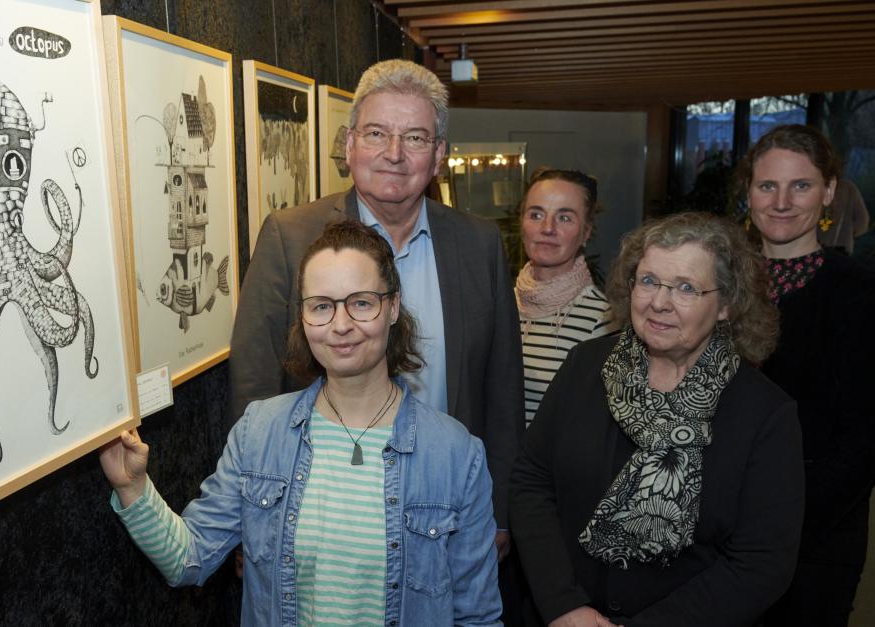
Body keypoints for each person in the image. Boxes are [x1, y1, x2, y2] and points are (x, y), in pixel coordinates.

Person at [102, 221, 501, 625]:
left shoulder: (455, 454)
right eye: (322, 306)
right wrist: (133, 487)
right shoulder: (260, 432)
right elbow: (189, 559)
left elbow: (478, 616)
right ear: (303, 316)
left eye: (362, 303)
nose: (341, 325)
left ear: (393, 307)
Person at [229, 59, 522, 555]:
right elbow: (254, 381)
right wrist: (250, 512)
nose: (394, 154)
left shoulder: (479, 244)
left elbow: (502, 388)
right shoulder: (289, 237)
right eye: (376, 133)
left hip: (446, 502)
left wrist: (499, 512)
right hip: (320, 503)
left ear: (439, 155)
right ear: (349, 145)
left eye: (415, 138)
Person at [510, 212, 805, 626]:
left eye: (686, 288)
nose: (659, 302)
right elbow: (531, 480)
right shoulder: (584, 366)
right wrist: (563, 604)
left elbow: (761, 562)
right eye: (648, 281)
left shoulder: (765, 415)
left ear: (726, 304)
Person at [739, 124, 875, 626]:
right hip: (713, 529)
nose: (781, 202)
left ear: (829, 191)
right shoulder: (719, 286)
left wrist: (781, 520)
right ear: (749, 192)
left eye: (801, 185)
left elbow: (873, 439)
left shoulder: (865, 296)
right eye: (768, 185)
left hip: (816, 535)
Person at [516, 167, 616, 428]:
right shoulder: (499, 306)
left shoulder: (603, 320)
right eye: (536, 214)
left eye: (565, 218)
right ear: (522, 224)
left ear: (586, 232)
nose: (547, 228)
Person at [817, 177, 869, 254]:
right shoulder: (848, 188)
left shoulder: (813, 186)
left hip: (814, 246)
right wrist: (847, 232)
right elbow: (863, 222)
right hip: (842, 247)